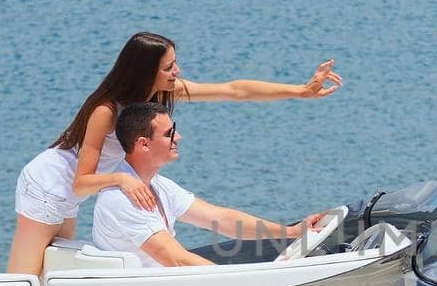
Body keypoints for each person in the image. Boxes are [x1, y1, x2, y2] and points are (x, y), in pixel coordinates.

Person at [7, 32, 342, 273]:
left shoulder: (159, 97)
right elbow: (80, 182)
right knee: (23, 279)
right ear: (146, 71)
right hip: (48, 187)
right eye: (169, 67)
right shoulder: (106, 111)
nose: (177, 72)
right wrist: (122, 180)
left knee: (50, 272)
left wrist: (299, 91)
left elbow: (234, 90)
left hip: (77, 192)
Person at [92, 103, 326, 267]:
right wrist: (237, 283)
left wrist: (292, 232)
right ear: (143, 144)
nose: (179, 137)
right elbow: (176, 260)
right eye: (169, 133)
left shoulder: (159, 185)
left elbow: (221, 219)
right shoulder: (122, 199)